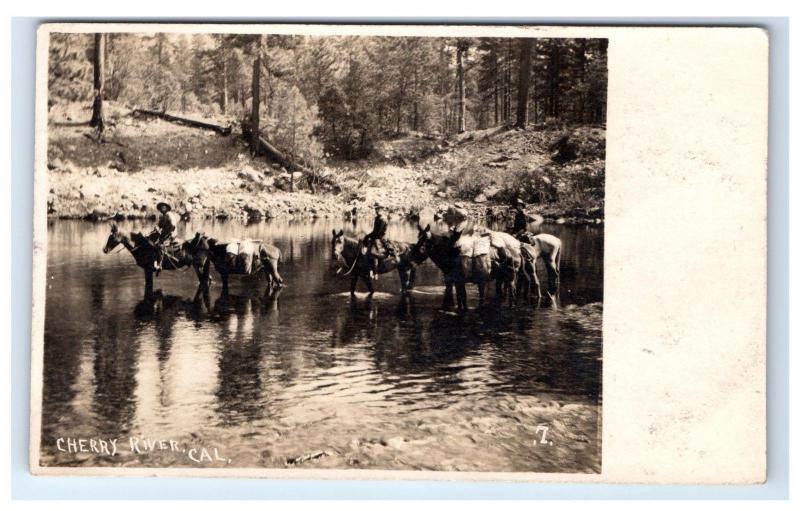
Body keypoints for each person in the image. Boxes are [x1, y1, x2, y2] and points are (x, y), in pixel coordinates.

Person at [363, 204, 394, 280]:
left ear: (382, 210)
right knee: (367, 249)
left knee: (373, 252)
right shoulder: (377, 218)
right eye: (376, 210)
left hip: (381, 237)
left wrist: (369, 236)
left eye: (378, 210)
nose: (377, 211)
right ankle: (369, 269)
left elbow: (379, 232)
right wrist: (368, 236)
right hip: (376, 236)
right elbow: (374, 231)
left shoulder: (383, 219)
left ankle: (375, 272)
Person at [152, 202, 180, 273]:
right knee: (152, 241)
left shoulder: (169, 215)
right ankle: (155, 259)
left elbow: (173, 225)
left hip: (171, 233)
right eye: (161, 208)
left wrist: (167, 233)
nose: (162, 209)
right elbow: (158, 224)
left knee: (159, 245)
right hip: (164, 234)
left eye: (163, 207)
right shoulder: (162, 216)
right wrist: (157, 228)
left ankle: (160, 264)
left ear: (166, 208)